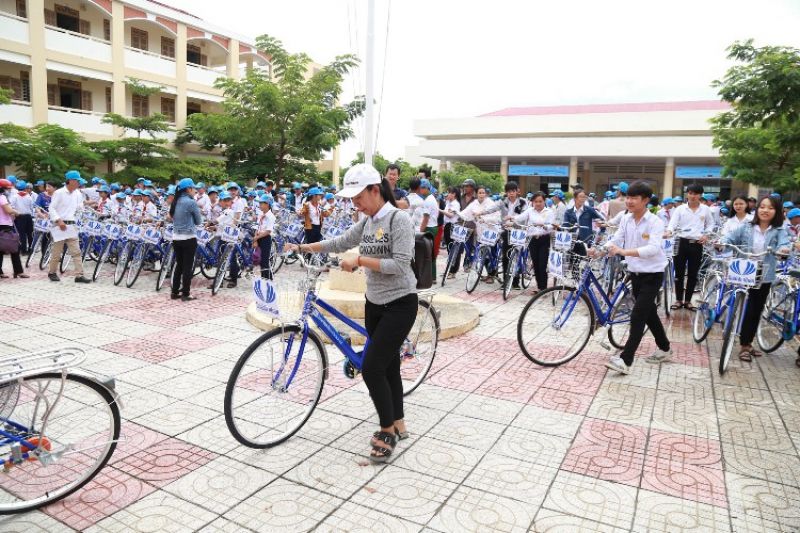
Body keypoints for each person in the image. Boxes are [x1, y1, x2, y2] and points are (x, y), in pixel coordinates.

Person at [292, 164, 417, 462]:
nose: (354, 204)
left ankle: (386, 429)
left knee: (372, 367)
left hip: (401, 303)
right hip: (374, 303)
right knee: (388, 367)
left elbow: (400, 264)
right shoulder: (367, 221)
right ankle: (399, 420)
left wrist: (360, 260)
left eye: (358, 197)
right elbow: (341, 242)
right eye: (351, 199)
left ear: (375, 189)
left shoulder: (399, 220)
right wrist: (304, 246)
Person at [599, 181, 671, 374]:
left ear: (645, 200)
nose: (629, 201)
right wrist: (602, 249)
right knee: (649, 314)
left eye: (634, 198)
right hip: (635, 274)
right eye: (628, 197)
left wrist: (623, 251)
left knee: (638, 315)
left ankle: (625, 360)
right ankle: (665, 348)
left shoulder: (655, 222)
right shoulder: (626, 219)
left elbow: (653, 248)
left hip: (653, 275)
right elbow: (617, 238)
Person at [721, 196, 789, 361]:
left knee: (754, 310)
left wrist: (784, 250)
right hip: (744, 270)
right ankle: (730, 327)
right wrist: (722, 242)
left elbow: (783, 244)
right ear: (757, 209)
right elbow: (729, 238)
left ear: (777, 212)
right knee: (740, 303)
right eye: (762, 207)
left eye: (770, 208)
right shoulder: (746, 227)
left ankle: (746, 344)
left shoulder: (779, 230)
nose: (765, 210)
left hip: (764, 274)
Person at [666, 183, 714, 310]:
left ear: (700, 195)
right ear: (687, 194)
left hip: (697, 244)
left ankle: (688, 301)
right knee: (679, 273)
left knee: (693, 274)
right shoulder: (680, 209)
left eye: (696, 193)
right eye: (690, 193)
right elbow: (672, 224)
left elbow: (710, 225)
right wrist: (669, 232)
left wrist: (706, 235)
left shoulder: (705, 209)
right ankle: (678, 300)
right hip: (681, 243)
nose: (692, 196)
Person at [48, 171, 91, 283]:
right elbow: (51, 208)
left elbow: (79, 207)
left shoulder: (78, 193)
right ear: (71, 181)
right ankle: (52, 272)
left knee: (76, 251)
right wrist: (58, 220)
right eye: (77, 181)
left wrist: (87, 207)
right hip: (60, 225)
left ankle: (79, 275)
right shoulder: (59, 193)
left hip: (71, 225)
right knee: (57, 252)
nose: (79, 183)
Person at [482, 182, 527, 287]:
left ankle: (515, 281)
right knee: (506, 256)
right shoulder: (502, 202)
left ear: (517, 191)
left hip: (518, 232)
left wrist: (514, 221)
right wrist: (481, 213)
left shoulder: (523, 203)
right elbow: (491, 208)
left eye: (513, 191)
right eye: (509, 191)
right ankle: (506, 281)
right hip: (506, 231)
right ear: (506, 192)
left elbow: (525, 216)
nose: (511, 193)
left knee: (516, 256)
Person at [169, 178, 203, 301]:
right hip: (188, 238)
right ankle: (186, 293)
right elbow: (199, 221)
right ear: (188, 189)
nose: (195, 191)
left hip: (176, 237)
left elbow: (172, 216)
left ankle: (174, 292)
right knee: (187, 267)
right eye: (194, 188)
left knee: (179, 265)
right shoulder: (191, 202)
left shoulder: (175, 200)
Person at [513, 191, 552, 292]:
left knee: (542, 264)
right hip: (532, 239)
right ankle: (540, 287)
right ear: (533, 202)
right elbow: (520, 218)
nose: (538, 203)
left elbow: (552, 226)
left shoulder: (549, 212)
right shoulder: (530, 211)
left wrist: (545, 226)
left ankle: (543, 288)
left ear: (544, 201)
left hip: (544, 239)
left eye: (540, 201)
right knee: (535, 264)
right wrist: (511, 219)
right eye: (536, 201)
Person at [0, 178, 27, 279]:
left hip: (2, 225)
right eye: (7, 189)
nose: (9, 190)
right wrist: (16, 212)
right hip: (5, 226)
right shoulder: (2, 197)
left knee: (1, 250)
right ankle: (19, 271)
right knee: (14, 248)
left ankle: (1, 272)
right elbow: (8, 210)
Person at [563, 189, 604, 253]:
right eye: (580, 197)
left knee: (583, 261)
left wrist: (601, 234)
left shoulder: (589, 210)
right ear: (575, 198)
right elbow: (565, 226)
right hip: (572, 241)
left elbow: (602, 220)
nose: (583, 199)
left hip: (585, 241)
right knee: (571, 261)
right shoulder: (568, 212)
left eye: (584, 197)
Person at [253, 194, 276, 279]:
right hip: (259, 237)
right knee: (258, 259)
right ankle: (264, 278)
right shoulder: (260, 215)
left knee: (264, 261)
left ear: (267, 204)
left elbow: (268, 231)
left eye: (261, 203)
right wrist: (255, 239)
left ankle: (268, 279)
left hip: (265, 239)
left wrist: (257, 238)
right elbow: (257, 227)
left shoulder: (271, 217)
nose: (260, 205)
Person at [10, 179, 34, 254]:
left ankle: (23, 251)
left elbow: (12, 207)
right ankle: (31, 249)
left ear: (17, 187)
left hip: (19, 217)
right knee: (30, 234)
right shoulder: (29, 197)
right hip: (28, 217)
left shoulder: (14, 197)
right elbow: (31, 207)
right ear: (25, 188)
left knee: (22, 234)